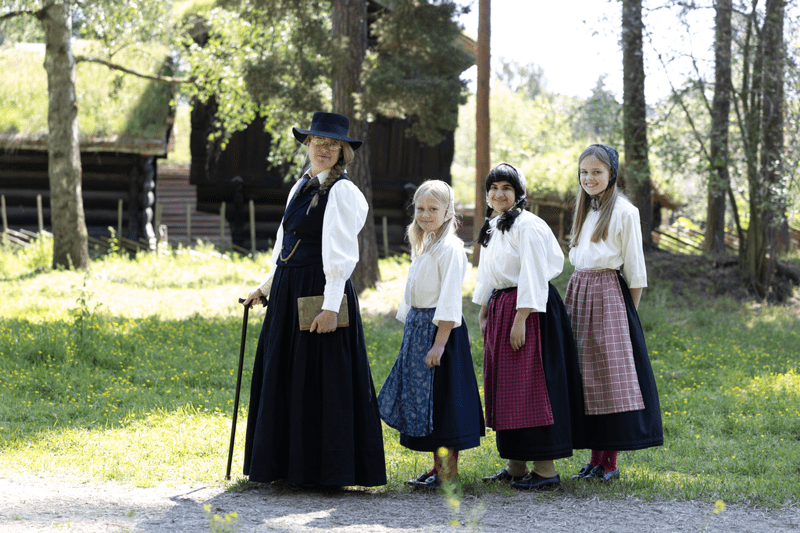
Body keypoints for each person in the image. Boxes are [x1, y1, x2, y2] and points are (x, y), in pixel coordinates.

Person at [241, 112, 386, 488]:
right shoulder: (301, 185)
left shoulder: (342, 192)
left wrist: (330, 307)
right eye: (318, 141)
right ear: (307, 144)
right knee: (288, 374)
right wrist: (265, 287)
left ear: (342, 152)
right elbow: (285, 245)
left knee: (322, 379)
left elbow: (341, 255)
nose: (324, 149)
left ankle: (324, 471)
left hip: (320, 290)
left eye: (332, 144)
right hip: (289, 289)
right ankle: (285, 467)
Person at [473, 163, 585, 491]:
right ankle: (516, 466)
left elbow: (533, 273)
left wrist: (521, 318)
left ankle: (546, 471)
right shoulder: (493, 225)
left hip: (530, 310)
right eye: (493, 188)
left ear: (519, 193)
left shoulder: (529, 226)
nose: (499, 194)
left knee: (531, 388)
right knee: (507, 389)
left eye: (506, 188)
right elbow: (487, 272)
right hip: (503, 306)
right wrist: (484, 310)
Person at [565, 144, 663, 482]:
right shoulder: (585, 209)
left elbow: (635, 271)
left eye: (597, 172)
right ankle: (594, 457)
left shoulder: (625, 211)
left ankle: (610, 461)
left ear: (612, 174)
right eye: (584, 172)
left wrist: (625, 320)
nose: (589, 178)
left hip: (608, 295)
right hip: (579, 290)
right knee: (586, 375)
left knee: (609, 376)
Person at [377, 180, 484, 491]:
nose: (424, 215)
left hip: (441, 332)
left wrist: (438, 344)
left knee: (444, 403)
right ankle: (437, 468)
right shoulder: (426, 243)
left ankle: (448, 472)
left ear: (448, 211)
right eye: (420, 208)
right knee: (427, 402)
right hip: (420, 327)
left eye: (433, 209)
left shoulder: (451, 248)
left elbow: (449, 298)